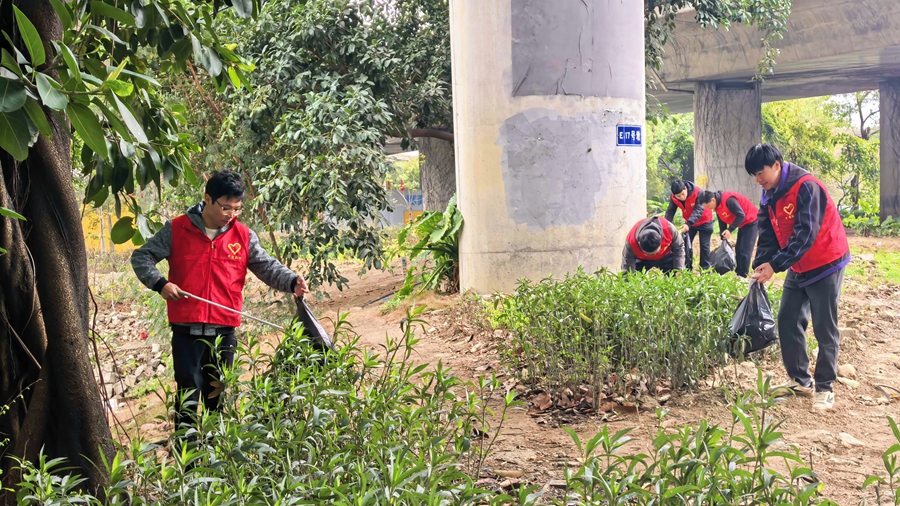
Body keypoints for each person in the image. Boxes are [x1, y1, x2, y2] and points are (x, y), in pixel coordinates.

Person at [131, 170, 309, 430]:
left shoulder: (243, 236)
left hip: (224, 331)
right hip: (186, 332)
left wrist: (292, 281)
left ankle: (216, 458)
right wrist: (161, 284)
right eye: (226, 207)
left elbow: (267, 267)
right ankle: (188, 464)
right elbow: (141, 257)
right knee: (187, 398)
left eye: (237, 209)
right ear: (207, 198)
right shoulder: (177, 228)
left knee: (217, 397)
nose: (231, 214)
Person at [746, 144, 850, 412]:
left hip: (825, 260)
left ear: (777, 165)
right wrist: (762, 263)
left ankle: (825, 387)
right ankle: (801, 381)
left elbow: (806, 234)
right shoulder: (769, 192)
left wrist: (776, 265)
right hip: (798, 263)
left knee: (824, 326)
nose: (758, 180)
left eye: (761, 173)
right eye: (754, 175)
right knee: (788, 319)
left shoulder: (806, 186)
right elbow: (767, 230)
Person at [697, 190, 760, 278]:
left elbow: (741, 215)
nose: (708, 208)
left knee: (745, 250)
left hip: (752, 221)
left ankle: (743, 276)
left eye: (708, 206)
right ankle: (738, 273)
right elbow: (722, 220)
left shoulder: (729, 200)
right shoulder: (717, 205)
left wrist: (730, 229)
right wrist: (723, 237)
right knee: (738, 249)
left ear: (713, 200)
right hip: (743, 224)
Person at [665, 180, 714, 271]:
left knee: (704, 247)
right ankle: (687, 269)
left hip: (705, 221)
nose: (681, 197)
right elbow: (670, 211)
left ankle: (705, 271)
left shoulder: (698, 192)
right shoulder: (674, 197)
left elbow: (698, 210)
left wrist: (688, 224)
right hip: (690, 223)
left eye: (683, 194)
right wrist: (666, 226)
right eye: (678, 196)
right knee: (685, 245)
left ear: (686, 188)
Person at [622, 216, 686, 274]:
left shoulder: (669, 229)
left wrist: (678, 269)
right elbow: (627, 264)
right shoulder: (631, 241)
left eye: (655, 252)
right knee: (632, 277)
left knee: (677, 275)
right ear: (639, 244)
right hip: (642, 260)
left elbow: (679, 248)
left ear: (661, 241)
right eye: (649, 254)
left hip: (666, 257)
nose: (653, 255)